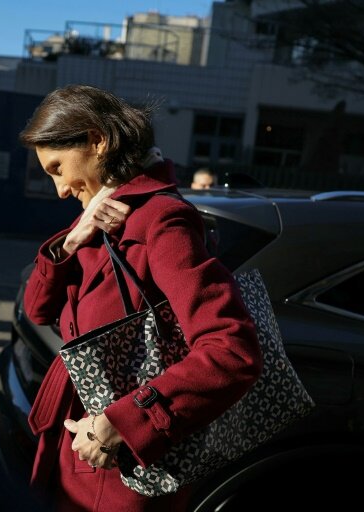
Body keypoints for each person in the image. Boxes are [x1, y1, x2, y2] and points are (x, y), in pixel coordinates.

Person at [18, 84, 263, 511]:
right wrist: (71, 242)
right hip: (78, 460)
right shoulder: (100, 218)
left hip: (121, 474)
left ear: (97, 141)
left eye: (58, 168)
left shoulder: (162, 220)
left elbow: (232, 350)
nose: (60, 189)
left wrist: (120, 424)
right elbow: (37, 308)